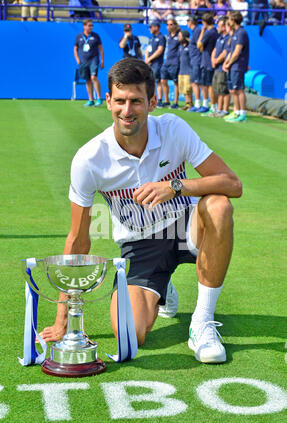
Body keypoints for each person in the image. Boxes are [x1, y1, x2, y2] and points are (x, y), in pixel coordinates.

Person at [39, 57, 242, 365]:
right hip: (142, 245)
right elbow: (78, 240)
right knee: (130, 335)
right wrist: (62, 320)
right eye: (120, 100)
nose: (127, 110)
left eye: (136, 101)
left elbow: (232, 184)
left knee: (219, 205)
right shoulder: (89, 159)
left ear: (152, 102)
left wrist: (175, 186)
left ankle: (201, 324)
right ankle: (163, 287)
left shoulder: (174, 129)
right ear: (108, 101)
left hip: (186, 228)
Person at [223, 11, 249, 122]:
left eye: (229, 19)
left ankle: (242, 114)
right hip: (232, 66)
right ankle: (236, 112)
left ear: (233, 20)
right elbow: (231, 51)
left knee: (239, 90)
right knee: (233, 90)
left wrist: (229, 63)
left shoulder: (241, 33)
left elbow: (237, 52)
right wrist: (226, 63)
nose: (228, 22)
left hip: (238, 66)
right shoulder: (235, 33)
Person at [74, 19, 104, 107]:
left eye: (92, 25)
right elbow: (75, 49)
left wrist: (102, 60)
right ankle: (91, 100)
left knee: (93, 77)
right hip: (83, 61)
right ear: (84, 26)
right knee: (87, 80)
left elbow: (101, 49)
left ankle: (99, 98)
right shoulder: (79, 36)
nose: (91, 27)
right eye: (89, 25)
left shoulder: (96, 36)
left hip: (94, 60)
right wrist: (78, 60)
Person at [196, 12, 219, 114]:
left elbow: (199, 45)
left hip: (207, 62)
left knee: (208, 85)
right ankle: (210, 105)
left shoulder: (209, 32)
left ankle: (209, 106)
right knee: (208, 85)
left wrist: (202, 32)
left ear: (204, 22)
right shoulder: (215, 32)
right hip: (209, 61)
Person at [210, 16, 230, 117]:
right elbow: (214, 50)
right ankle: (218, 109)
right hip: (216, 67)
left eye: (219, 25)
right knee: (217, 89)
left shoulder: (228, 38)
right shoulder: (219, 38)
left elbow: (225, 52)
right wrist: (213, 60)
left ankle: (224, 110)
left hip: (222, 68)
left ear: (224, 27)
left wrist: (217, 61)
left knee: (223, 90)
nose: (217, 27)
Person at [160, 18, 181, 109]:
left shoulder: (179, 35)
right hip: (167, 62)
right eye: (168, 24)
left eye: (171, 24)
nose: (169, 26)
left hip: (175, 62)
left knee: (176, 82)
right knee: (163, 81)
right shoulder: (168, 36)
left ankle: (175, 102)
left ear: (176, 25)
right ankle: (167, 100)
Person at [145, 20, 166, 107]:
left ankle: (160, 100)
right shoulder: (151, 38)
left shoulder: (161, 37)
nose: (150, 29)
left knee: (158, 82)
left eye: (151, 27)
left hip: (157, 63)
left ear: (156, 27)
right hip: (150, 63)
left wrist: (149, 58)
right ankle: (151, 99)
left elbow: (160, 50)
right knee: (150, 82)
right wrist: (146, 59)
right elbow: (147, 49)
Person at [187, 15, 203, 112]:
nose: (187, 23)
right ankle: (197, 104)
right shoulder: (195, 31)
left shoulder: (197, 31)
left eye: (188, 21)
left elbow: (199, 45)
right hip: (194, 59)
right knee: (194, 82)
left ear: (191, 21)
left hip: (197, 59)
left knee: (196, 82)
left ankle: (198, 104)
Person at [178, 30, 193, 110]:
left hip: (188, 70)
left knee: (188, 88)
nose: (179, 38)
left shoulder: (190, 46)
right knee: (183, 89)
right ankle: (187, 103)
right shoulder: (180, 47)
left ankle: (190, 103)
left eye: (180, 36)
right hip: (181, 70)